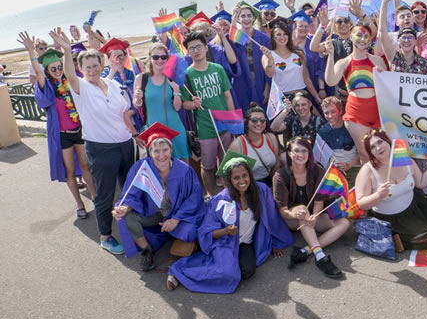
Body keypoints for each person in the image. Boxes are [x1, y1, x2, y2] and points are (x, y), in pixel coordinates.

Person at [51, 28, 136, 255]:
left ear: (101, 64)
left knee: (129, 189)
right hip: (102, 149)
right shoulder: (81, 88)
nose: (92, 69)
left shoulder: (114, 84)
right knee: (105, 194)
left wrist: (135, 133)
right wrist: (67, 51)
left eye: (95, 65)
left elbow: (125, 113)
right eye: (87, 66)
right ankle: (106, 236)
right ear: (81, 69)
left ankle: (132, 227)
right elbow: (69, 76)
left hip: (125, 144)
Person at [166, 154, 294, 293]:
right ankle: (178, 270)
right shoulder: (220, 201)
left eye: (245, 175)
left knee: (247, 271)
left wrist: (275, 243)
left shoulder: (261, 191)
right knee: (229, 275)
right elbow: (205, 232)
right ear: (229, 180)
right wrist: (226, 231)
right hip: (225, 241)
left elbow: (271, 217)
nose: (242, 181)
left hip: (245, 242)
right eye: (236, 178)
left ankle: (225, 265)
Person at [20, 33, 96, 219]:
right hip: (62, 135)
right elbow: (38, 72)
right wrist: (31, 50)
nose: (57, 70)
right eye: (53, 68)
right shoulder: (48, 86)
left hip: (79, 130)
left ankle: (96, 197)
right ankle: (79, 205)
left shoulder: (69, 82)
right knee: (69, 170)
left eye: (59, 67)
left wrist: (66, 49)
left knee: (86, 165)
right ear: (47, 70)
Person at [112, 123, 206, 271]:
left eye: (165, 150)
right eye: (156, 151)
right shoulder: (141, 168)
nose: (161, 156)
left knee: (190, 232)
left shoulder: (184, 170)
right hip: (153, 214)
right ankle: (147, 250)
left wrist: (177, 218)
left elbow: (194, 198)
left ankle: (173, 232)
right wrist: (125, 207)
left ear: (171, 150)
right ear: (150, 151)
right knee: (126, 216)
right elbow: (131, 194)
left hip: (178, 213)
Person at [354, 130, 427, 249]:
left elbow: (421, 183)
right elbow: (361, 203)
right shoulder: (368, 171)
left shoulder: (402, 158)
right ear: (370, 152)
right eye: (372, 147)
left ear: (387, 141)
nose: (378, 148)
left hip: (416, 205)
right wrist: (378, 196)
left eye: (380, 142)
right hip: (392, 219)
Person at [273, 137, 351, 279]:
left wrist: (315, 215)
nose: (300, 154)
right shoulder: (280, 176)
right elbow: (283, 211)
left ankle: (305, 251)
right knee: (303, 209)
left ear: (309, 153)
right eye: (296, 151)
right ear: (289, 153)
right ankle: (320, 257)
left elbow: (319, 200)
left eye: (304, 151)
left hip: (310, 218)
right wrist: (297, 215)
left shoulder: (317, 170)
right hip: (292, 219)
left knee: (344, 223)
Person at [180, 29, 236, 194]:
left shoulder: (217, 69)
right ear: (188, 52)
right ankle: (212, 196)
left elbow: (228, 96)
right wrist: (193, 103)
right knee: (208, 166)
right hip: (204, 128)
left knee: (228, 163)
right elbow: (184, 104)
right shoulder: (187, 75)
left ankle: (229, 194)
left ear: (206, 48)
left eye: (199, 47)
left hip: (224, 124)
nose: (196, 51)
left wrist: (232, 123)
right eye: (192, 48)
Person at [324, 24, 388, 163]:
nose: (362, 39)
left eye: (366, 36)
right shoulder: (344, 62)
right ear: (351, 36)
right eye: (359, 35)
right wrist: (330, 55)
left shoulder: (377, 61)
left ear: (370, 40)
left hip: (378, 111)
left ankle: (382, 182)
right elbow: (330, 81)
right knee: (365, 154)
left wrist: (383, 75)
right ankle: (369, 183)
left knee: (382, 152)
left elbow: (387, 88)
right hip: (356, 113)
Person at [133, 42, 190, 160]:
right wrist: (137, 99)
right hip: (155, 131)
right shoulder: (141, 79)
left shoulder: (173, 78)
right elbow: (136, 104)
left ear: (167, 59)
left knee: (182, 166)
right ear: (150, 58)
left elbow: (178, 107)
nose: (160, 60)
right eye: (155, 57)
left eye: (163, 57)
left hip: (175, 128)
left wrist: (176, 90)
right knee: (160, 166)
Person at [228, 104, 281, 188]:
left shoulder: (271, 138)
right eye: (254, 120)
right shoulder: (237, 145)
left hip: (269, 183)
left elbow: (276, 165)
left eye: (262, 120)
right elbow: (227, 173)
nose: (259, 123)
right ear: (246, 122)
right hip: (248, 186)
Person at [261, 20, 314, 100]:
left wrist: (316, 98)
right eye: (278, 34)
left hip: (302, 95)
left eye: (285, 34)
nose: (282, 37)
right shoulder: (267, 55)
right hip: (283, 98)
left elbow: (306, 78)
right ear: (273, 37)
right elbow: (269, 74)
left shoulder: (298, 54)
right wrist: (270, 59)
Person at [315, 96, 362, 183]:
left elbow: (363, 151)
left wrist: (349, 164)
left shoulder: (350, 127)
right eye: (326, 113)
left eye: (333, 112)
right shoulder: (323, 131)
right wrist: (332, 170)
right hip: (335, 172)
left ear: (340, 111)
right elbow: (321, 157)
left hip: (354, 167)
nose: (330, 116)